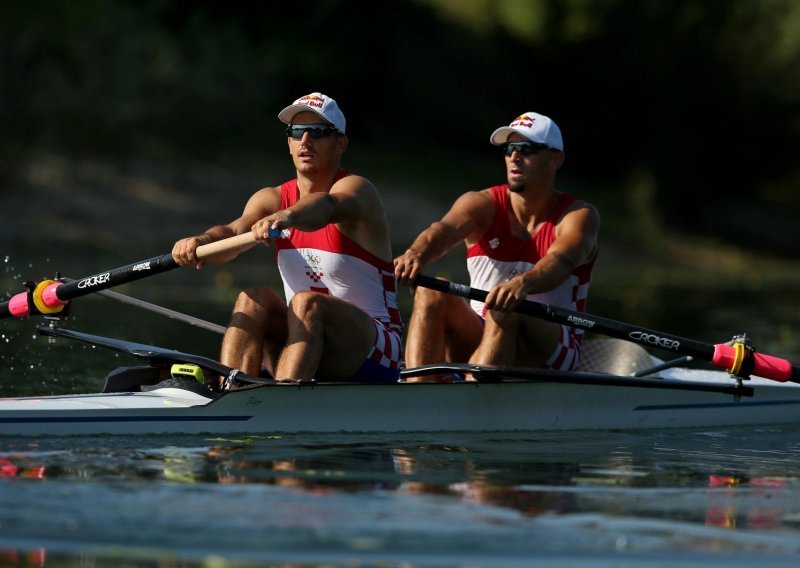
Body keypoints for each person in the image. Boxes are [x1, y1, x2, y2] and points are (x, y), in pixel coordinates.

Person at [172, 92, 403, 387]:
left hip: (377, 350)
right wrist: (200, 243)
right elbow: (232, 233)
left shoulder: (357, 190)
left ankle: (281, 402)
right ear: (289, 143)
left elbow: (327, 206)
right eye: (297, 132)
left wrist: (289, 216)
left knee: (308, 303)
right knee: (253, 298)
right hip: (306, 338)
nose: (305, 141)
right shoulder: (271, 198)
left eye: (319, 133)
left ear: (340, 144)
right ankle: (229, 394)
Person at [394, 112, 599, 376]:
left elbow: (561, 261)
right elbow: (441, 232)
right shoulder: (481, 204)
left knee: (507, 309)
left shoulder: (577, 216)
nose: (514, 157)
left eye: (527, 149)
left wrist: (523, 284)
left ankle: (470, 393)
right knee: (431, 293)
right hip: (482, 333)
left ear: (555, 160)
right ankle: (418, 392)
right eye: (509, 149)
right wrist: (415, 254)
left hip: (551, 346)